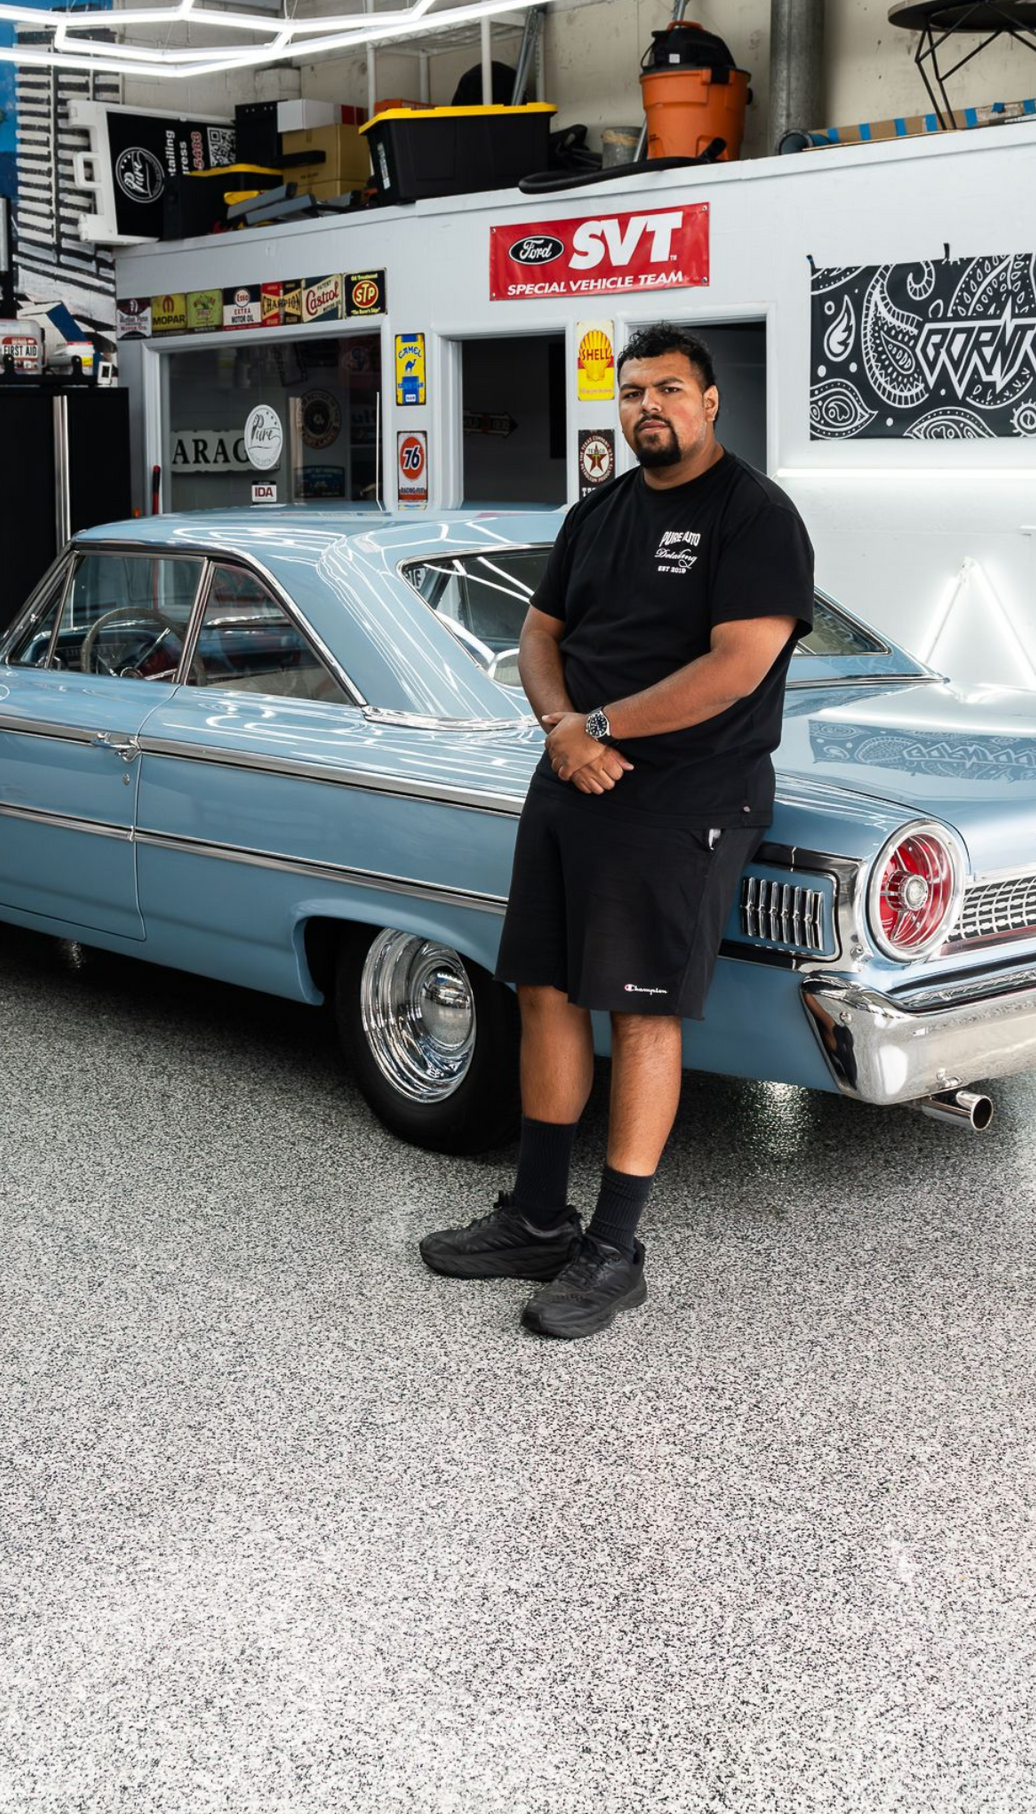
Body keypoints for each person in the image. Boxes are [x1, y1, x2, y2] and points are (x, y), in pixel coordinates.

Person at [421, 323, 816, 1337]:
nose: (649, 408)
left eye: (669, 390)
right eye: (634, 391)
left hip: (684, 796)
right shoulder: (597, 511)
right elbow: (538, 633)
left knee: (641, 1014)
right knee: (546, 992)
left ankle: (614, 1248)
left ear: (710, 402)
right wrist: (562, 728)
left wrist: (597, 729)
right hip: (573, 783)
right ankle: (538, 1218)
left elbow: (736, 667)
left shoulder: (755, 516)